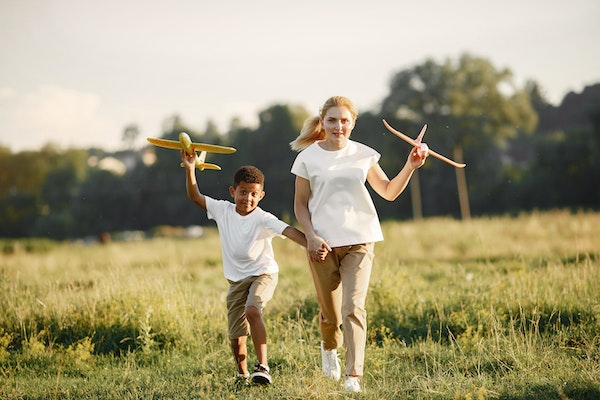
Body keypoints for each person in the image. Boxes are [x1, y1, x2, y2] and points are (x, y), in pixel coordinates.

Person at [290, 96, 428, 393]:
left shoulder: (365, 155)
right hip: (322, 245)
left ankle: (353, 376)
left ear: (352, 123)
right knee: (331, 314)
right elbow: (300, 206)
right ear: (323, 122)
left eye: (344, 121)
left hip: (360, 241)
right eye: (332, 120)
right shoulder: (307, 158)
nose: (338, 126)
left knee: (354, 306)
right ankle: (329, 347)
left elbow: (389, 192)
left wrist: (411, 166)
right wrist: (311, 237)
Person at [182, 151, 318, 387]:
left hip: (263, 274)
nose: (248, 198)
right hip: (236, 280)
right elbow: (195, 195)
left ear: (261, 195)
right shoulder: (223, 210)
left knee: (253, 310)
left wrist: (314, 243)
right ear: (233, 191)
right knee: (236, 337)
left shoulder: (263, 218)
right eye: (243, 192)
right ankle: (242, 375)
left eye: (254, 194)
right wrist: (190, 167)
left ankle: (263, 367)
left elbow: (289, 232)